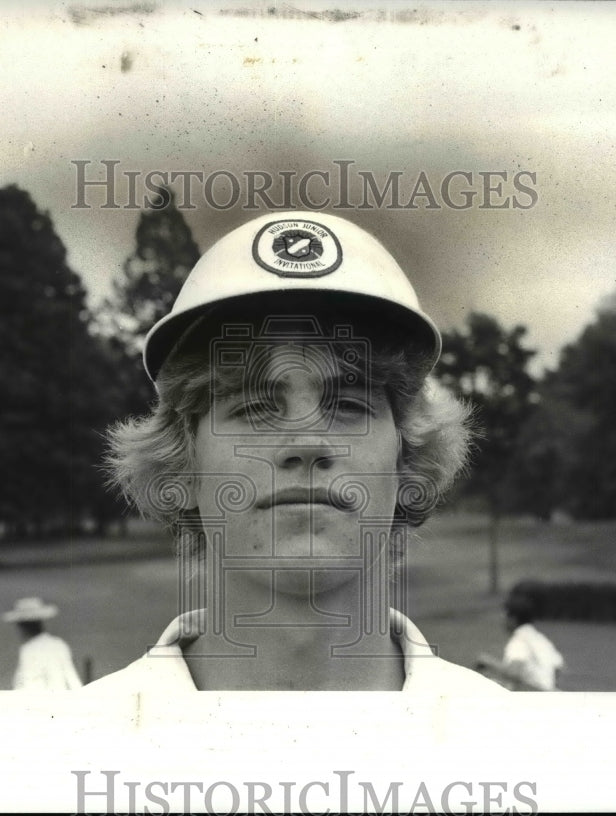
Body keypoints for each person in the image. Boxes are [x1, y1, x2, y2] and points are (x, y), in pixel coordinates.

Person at [88, 211, 505, 694]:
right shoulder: (72, 745)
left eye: (349, 404)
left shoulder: (508, 739)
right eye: (255, 406)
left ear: (407, 457)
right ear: (182, 461)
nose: (306, 443)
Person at [2, 596, 83, 690]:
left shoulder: (29, 650)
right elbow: (73, 680)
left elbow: (27, 686)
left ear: (23, 627)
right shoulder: (59, 644)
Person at [499, 593, 565, 691]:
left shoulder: (519, 641)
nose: (502, 620)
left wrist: (490, 667)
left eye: (505, 616)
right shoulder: (540, 639)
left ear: (513, 619)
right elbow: (558, 667)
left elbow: (514, 671)